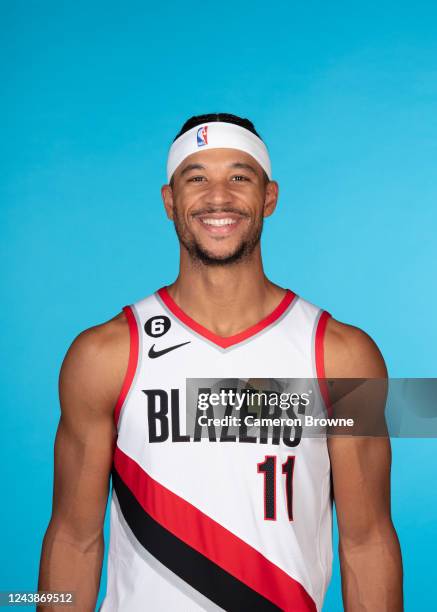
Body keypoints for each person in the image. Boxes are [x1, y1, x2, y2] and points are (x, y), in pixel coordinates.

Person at [38, 113, 403, 611]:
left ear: (269, 197)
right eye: (196, 178)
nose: (218, 197)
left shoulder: (342, 355)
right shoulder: (105, 355)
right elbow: (73, 540)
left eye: (238, 176)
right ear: (170, 202)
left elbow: (367, 543)